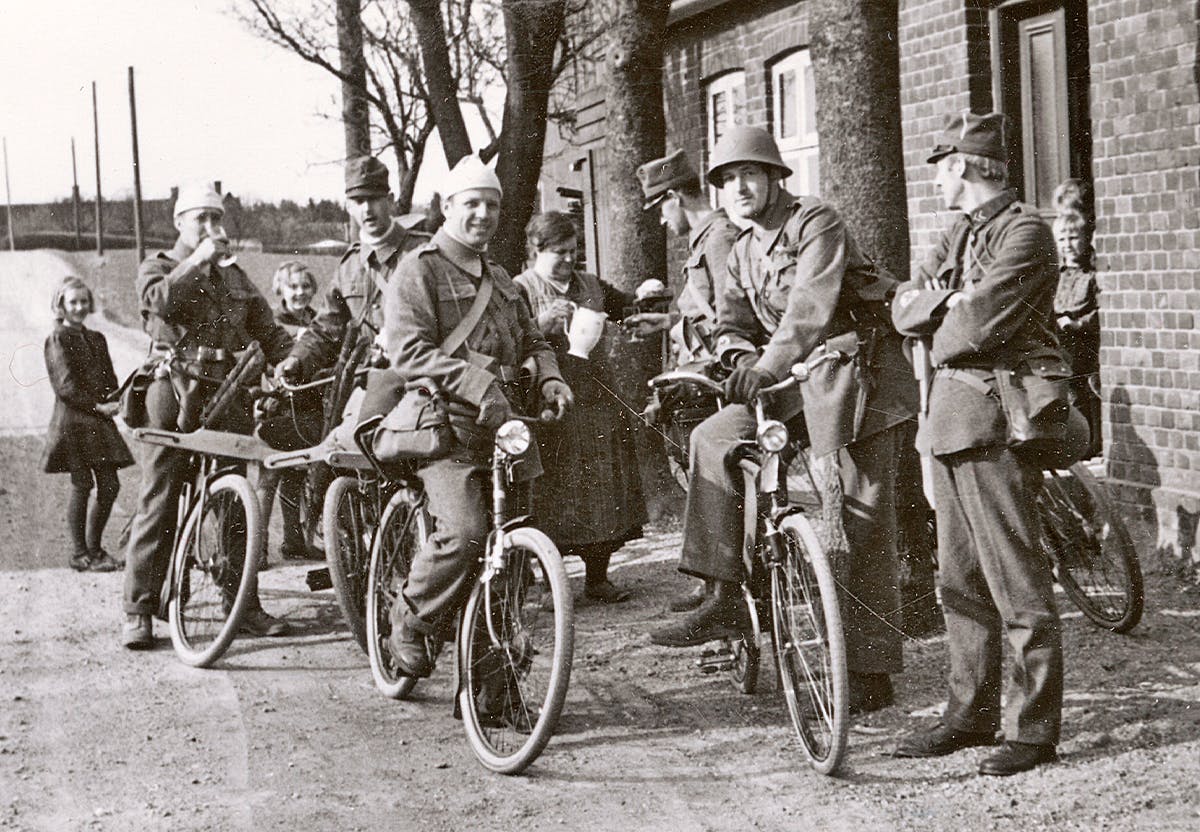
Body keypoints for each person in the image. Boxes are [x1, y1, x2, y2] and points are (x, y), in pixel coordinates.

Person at [647, 126, 918, 717]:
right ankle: (724, 593)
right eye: (728, 179)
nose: (740, 188)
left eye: (750, 174)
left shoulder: (815, 222)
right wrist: (739, 356)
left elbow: (809, 309)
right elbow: (730, 321)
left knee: (862, 517)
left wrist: (765, 366)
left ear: (774, 177)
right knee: (712, 438)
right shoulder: (743, 248)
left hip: (857, 372)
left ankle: (871, 670)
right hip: (794, 380)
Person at [891, 112, 1063, 775]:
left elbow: (973, 330)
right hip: (950, 421)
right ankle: (970, 715)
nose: (936, 178)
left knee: (1016, 580)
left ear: (961, 165)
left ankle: (1033, 730)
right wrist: (945, 303)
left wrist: (945, 310)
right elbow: (903, 307)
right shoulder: (960, 231)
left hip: (997, 421)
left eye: (940, 166)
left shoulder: (1026, 232)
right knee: (960, 581)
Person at [381, 155, 572, 678]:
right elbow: (408, 351)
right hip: (446, 425)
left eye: (492, 205)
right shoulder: (419, 269)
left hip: (507, 426)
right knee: (467, 532)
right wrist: (477, 383)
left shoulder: (501, 276)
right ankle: (410, 619)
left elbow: (533, 340)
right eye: (472, 204)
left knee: (517, 546)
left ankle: (492, 677)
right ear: (448, 207)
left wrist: (551, 377)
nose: (483, 214)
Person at [121, 182, 295, 650]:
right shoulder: (159, 265)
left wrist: (295, 360)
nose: (212, 227)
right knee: (160, 493)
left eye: (217, 218)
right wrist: (196, 260)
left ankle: (242, 604)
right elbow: (157, 302)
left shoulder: (234, 274)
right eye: (202, 218)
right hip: (174, 388)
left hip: (228, 390)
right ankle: (138, 608)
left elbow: (268, 331)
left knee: (236, 499)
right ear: (179, 222)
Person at [514, 211, 647, 604]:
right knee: (553, 490)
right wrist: (540, 324)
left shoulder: (589, 284)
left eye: (574, 251)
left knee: (603, 489)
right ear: (536, 249)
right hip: (548, 403)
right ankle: (552, 581)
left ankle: (598, 578)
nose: (570, 259)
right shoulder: (521, 289)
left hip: (596, 397)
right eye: (561, 252)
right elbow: (510, 340)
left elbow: (626, 308)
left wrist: (643, 304)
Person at [632, 150, 741, 613]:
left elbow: (732, 316)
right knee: (699, 472)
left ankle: (722, 589)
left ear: (675, 197)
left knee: (713, 472)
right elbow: (704, 313)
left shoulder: (718, 239)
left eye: (660, 207)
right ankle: (713, 581)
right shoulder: (704, 240)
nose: (661, 220)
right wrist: (668, 324)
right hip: (704, 373)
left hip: (721, 377)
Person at [277, 156, 429, 389]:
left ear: (389, 200)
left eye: (374, 199)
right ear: (348, 206)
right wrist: (297, 359)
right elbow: (326, 329)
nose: (367, 209)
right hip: (364, 381)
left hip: (417, 378)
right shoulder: (349, 266)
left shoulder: (422, 253)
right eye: (358, 201)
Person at [41, 276, 134, 572]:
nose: (79, 307)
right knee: (82, 485)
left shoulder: (97, 338)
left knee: (110, 485)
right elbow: (65, 387)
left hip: (98, 420)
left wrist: (116, 399)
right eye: (73, 302)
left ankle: (95, 549)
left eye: (84, 301)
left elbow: (109, 378)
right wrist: (98, 406)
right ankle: (80, 554)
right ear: (61, 305)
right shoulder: (57, 339)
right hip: (73, 423)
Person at [256, 261, 322, 564]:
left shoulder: (318, 322)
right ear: (280, 289)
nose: (300, 292)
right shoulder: (272, 322)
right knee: (270, 475)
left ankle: (294, 541)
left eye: (305, 286)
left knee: (296, 474)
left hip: (308, 404)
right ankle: (257, 548)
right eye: (293, 287)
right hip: (279, 403)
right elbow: (260, 362)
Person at [1051, 182, 1101, 457]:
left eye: (1073, 239)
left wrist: (1078, 324)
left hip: (1084, 343)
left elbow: (1101, 309)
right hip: (1063, 343)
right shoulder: (1057, 273)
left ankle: (1092, 442)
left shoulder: (1092, 272)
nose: (1067, 246)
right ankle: (1076, 441)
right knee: (1068, 391)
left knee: (1086, 389)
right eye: (1062, 240)